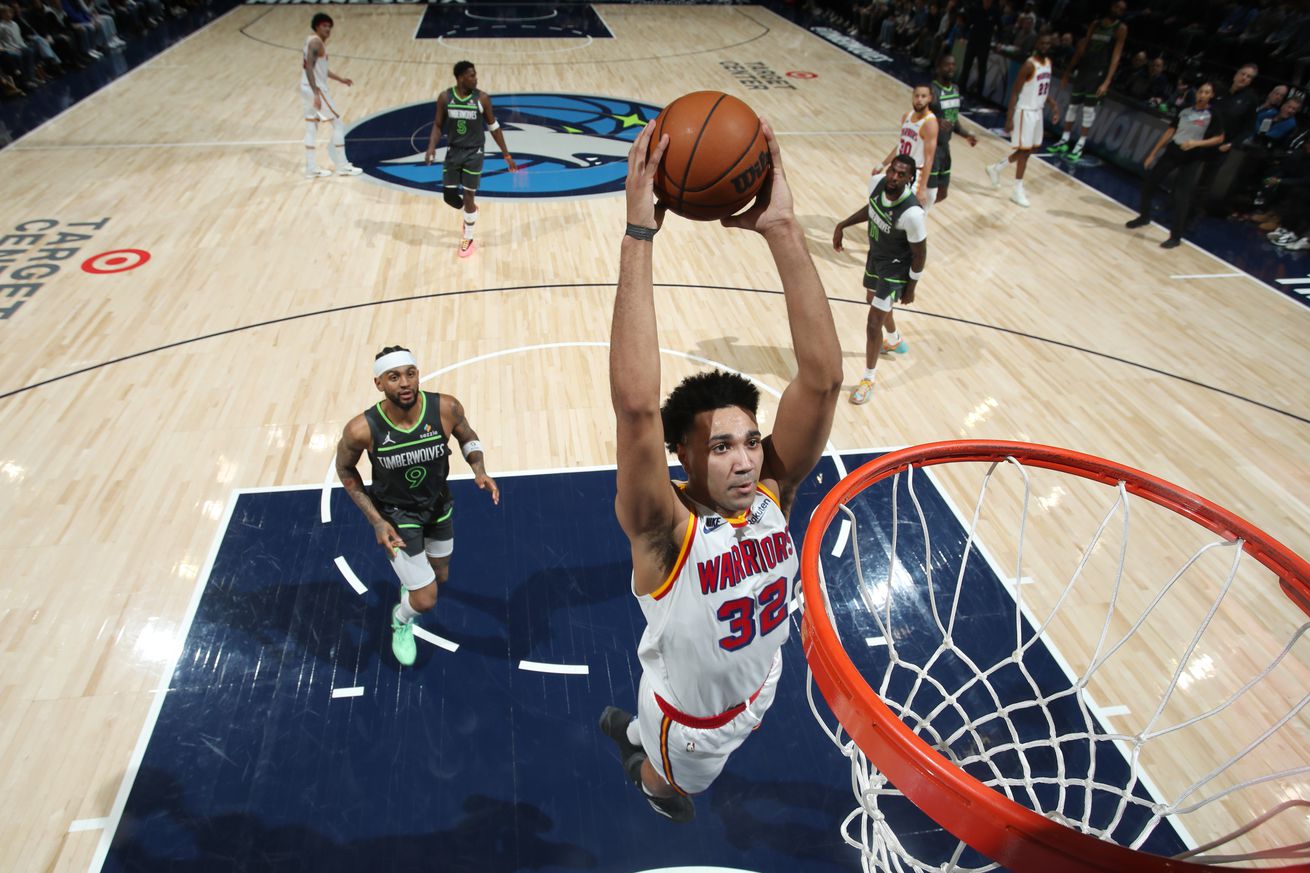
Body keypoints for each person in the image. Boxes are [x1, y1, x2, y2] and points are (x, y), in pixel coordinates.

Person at [599, 120, 843, 823]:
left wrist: (784, 230)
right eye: (720, 447)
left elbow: (822, 383)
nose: (744, 459)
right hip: (690, 727)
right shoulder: (663, 533)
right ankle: (640, 758)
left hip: (762, 680)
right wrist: (638, 235)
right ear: (684, 457)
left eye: (749, 441)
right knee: (676, 788)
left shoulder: (771, 495)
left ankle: (640, 738)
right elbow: (637, 407)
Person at [334, 346, 500, 667]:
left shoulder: (445, 408)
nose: (405, 383)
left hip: (438, 507)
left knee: (441, 576)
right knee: (425, 601)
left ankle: (409, 585)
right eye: (394, 377)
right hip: (396, 518)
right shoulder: (362, 429)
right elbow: (345, 470)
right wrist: (376, 521)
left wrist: (479, 469)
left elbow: (468, 437)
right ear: (378, 383)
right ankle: (401, 619)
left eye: (410, 373)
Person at [834, 154, 927, 405]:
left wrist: (911, 288)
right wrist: (843, 224)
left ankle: (868, 378)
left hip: (896, 269)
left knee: (873, 322)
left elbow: (920, 254)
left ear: (910, 179)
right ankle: (895, 340)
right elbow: (872, 208)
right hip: (876, 255)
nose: (894, 177)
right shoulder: (877, 183)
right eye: (892, 171)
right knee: (870, 299)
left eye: (901, 175)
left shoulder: (913, 214)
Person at [423, 61, 519, 259]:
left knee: (468, 195)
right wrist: (431, 147)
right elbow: (438, 125)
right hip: (453, 152)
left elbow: (493, 126)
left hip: (474, 153)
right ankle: (471, 213)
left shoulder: (481, 98)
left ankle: (468, 237)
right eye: (471, 76)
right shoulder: (445, 97)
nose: (476, 79)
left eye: (475, 75)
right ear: (460, 78)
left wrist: (507, 155)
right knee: (449, 197)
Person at [1124, 81, 1225, 248]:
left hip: (1192, 156)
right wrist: (1153, 153)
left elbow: (1219, 138)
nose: (1203, 95)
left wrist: (1196, 143)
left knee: (1181, 196)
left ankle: (1176, 236)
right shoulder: (1185, 109)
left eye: (1207, 92)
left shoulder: (1213, 114)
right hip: (1173, 151)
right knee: (1149, 183)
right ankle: (1144, 217)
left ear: (1211, 95)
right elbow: (1171, 130)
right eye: (1201, 91)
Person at [1049, 0, 1128, 162]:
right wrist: (1068, 70)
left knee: (1088, 110)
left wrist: (1107, 81)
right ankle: (1064, 140)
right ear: (1110, 6)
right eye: (1116, 7)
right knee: (1072, 106)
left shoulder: (1120, 28)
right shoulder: (1096, 24)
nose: (1118, 10)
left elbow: (1116, 56)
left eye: (1122, 9)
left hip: (1099, 71)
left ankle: (1080, 145)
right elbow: (1082, 47)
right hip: (1085, 68)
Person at [986, 31, 1057, 207]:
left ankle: (996, 168)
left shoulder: (1048, 63)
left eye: (1048, 44)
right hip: (1025, 111)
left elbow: (1043, 89)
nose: (1045, 47)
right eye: (1042, 43)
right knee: (1024, 151)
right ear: (1036, 45)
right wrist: (1009, 118)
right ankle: (1017, 190)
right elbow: (1015, 92)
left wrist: (1053, 105)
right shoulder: (1028, 65)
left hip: (1038, 111)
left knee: (1029, 150)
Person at [300, 13, 361, 179]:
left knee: (311, 126)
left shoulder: (310, 40)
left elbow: (320, 69)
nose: (328, 29)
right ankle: (342, 166)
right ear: (317, 26)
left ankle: (311, 168)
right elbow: (309, 69)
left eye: (329, 26)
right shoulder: (316, 43)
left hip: (306, 88)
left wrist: (340, 79)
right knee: (338, 124)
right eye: (324, 26)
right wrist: (316, 93)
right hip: (316, 89)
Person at [873, 84, 938, 208]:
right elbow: (901, 145)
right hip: (897, 170)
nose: (919, 99)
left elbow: (929, 159)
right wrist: (883, 164)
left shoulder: (930, 123)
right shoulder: (907, 116)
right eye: (917, 96)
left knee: (904, 214)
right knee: (885, 205)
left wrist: (922, 188)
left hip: (913, 175)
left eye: (923, 96)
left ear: (930, 98)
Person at [927, 54, 979, 210]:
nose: (950, 68)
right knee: (928, 194)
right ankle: (910, 219)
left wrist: (966, 134)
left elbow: (953, 119)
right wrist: (935, 120)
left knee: (942, 194)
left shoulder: (955, 89)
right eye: (946, 65)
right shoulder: (932, 90)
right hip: (930, 148)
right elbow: (919, 117)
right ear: (938, 68)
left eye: (953, 65)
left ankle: (913, 211)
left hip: (945, 149)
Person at [960, 0, 1000, 96]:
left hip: (984, 45)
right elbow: (969, 22)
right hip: (973, 42)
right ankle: (961, 88)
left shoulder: (995, 12)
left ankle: (979, 93)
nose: (987, 3)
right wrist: (963, 35)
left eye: (989, 1)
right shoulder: (977, 9)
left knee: (981, 69)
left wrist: (999, 41)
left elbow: (1000, 27)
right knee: (966, 66)